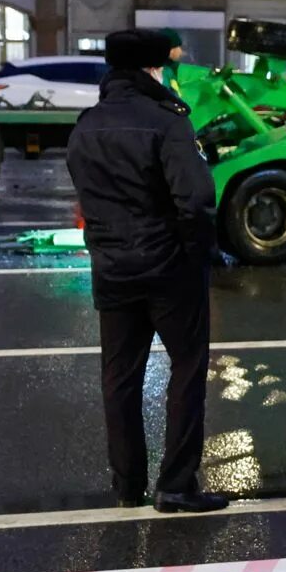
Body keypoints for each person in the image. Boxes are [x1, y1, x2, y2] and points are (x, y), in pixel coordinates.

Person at [66, 28, 229, 515]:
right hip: (168, 268)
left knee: (119, 376)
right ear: (150, 70)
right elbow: (196, 199)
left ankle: (128, 483)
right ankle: (176, 483)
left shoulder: (87, 125)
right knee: (187, 366)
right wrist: (199, 253)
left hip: (112, 267)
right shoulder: (168, 122)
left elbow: (87, 199)